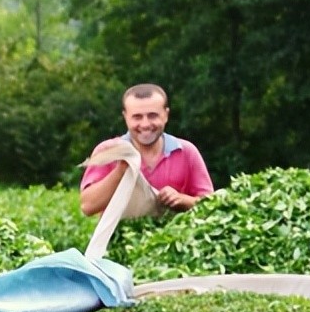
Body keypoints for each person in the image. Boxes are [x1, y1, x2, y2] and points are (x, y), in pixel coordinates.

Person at [79, 83, 214, 216]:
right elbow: (88, 207)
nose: (145, 124)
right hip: (123, 236)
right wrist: (120, 171)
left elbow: (212, 205)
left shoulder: (186, 151)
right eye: (137, 117)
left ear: (166, 115)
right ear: (125, 117)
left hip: (178, 235)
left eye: (153, 116)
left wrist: (182, 200)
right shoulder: (109, 151)